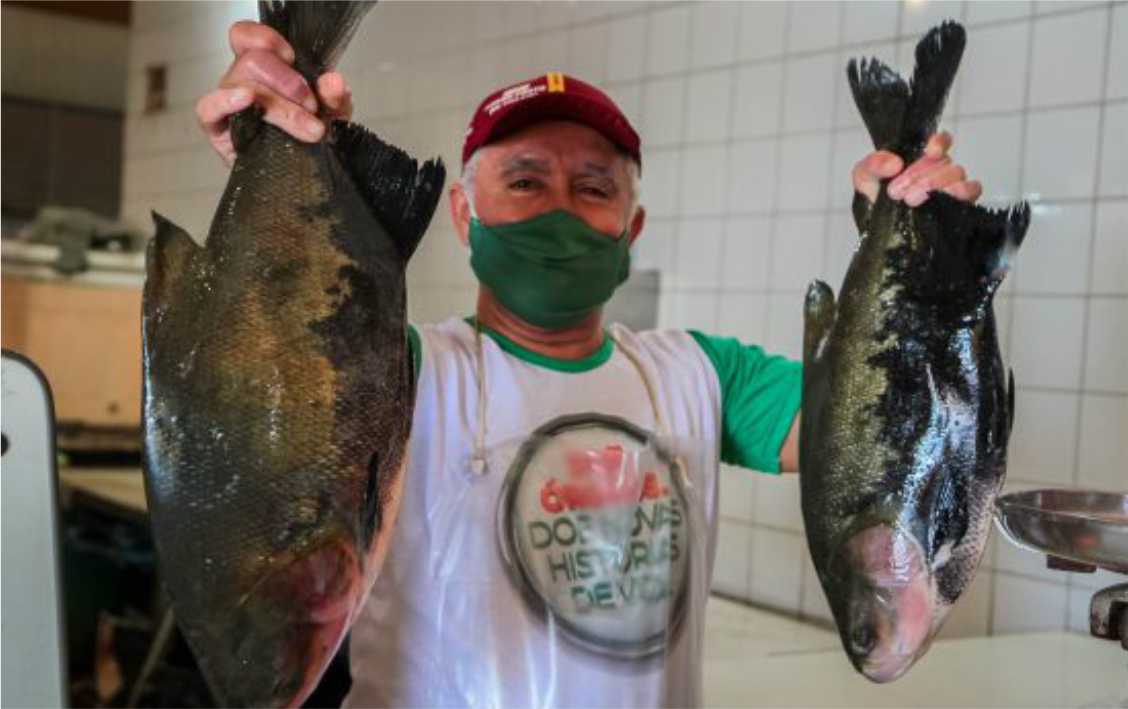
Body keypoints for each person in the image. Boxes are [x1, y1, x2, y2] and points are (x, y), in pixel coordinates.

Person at [194, 20, 984, 709]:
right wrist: (268, 156)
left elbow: (886, 438)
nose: (560, 208)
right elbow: (272, 377)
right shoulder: (401, 371)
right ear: (465, 213)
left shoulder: (703, 375)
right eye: (525, 180)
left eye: (593, 187)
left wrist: (917, 248)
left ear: (630, 224)